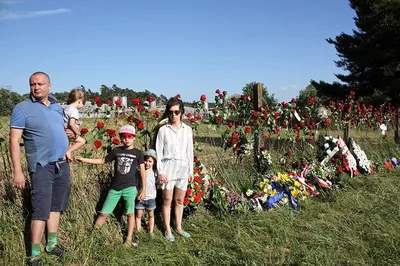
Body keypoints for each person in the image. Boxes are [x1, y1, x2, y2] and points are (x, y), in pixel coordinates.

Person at [10, 72, 70, 266]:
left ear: (49, 86)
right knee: (40, 210)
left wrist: (66, 133)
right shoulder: (22, 108)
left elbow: (56, 129)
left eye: (40, 84)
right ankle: (34, 255)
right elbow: (14, 140)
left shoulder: (56, 108)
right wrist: (17, 171)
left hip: (61, 164)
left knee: (55, 207)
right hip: (41, 166)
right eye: (33, 84)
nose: (36, 87)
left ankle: (51, 245)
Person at [75, 125, 146, 248]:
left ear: (134, 137)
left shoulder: (138, 153)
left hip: (130, 187)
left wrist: (143, 190)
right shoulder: (117, 151)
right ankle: (92, 235)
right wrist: (84, 159)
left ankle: (128, 238)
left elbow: (143, 172)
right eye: (124, 137)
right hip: (115, 188)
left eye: (129, 136)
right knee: (103, 213)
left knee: (130, 213)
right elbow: (103, 161)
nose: (126, 139)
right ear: (121, 138)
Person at [156, 97, 194, 242]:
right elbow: (159, 153)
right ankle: (167, 229)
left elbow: (189, 151)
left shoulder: (187, 130)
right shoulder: (163, 130)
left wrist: (191, 170)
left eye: (176, 112)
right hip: (168, 167)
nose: (173, 115)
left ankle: (178, 226)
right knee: (167, 200)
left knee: (179, 200)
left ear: (182, 112)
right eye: (170, 112)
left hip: (183, 167)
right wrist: (161, 172)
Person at [135, 149, 158, 234]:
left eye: (150, 161)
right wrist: (138, 193)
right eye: (145, 160)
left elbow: (157, 183)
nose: (147, 163)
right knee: (138, 215)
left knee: (151, 215)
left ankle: (151, 231)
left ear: (153, 162)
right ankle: (138, 231)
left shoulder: (155, 173)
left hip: (151, 198)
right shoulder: (138, 172)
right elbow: (136, 184)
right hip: (140, 197)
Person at [63, 88, 86, 160]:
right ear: (79, 101)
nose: (82, 105)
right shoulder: (74, 111)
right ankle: (68, 152)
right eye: (83, 103)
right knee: (82, 141)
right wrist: (77, 132)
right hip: (69, 131)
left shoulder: (66, 108)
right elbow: (72, 123)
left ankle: (64, 155)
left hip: (63, 130)